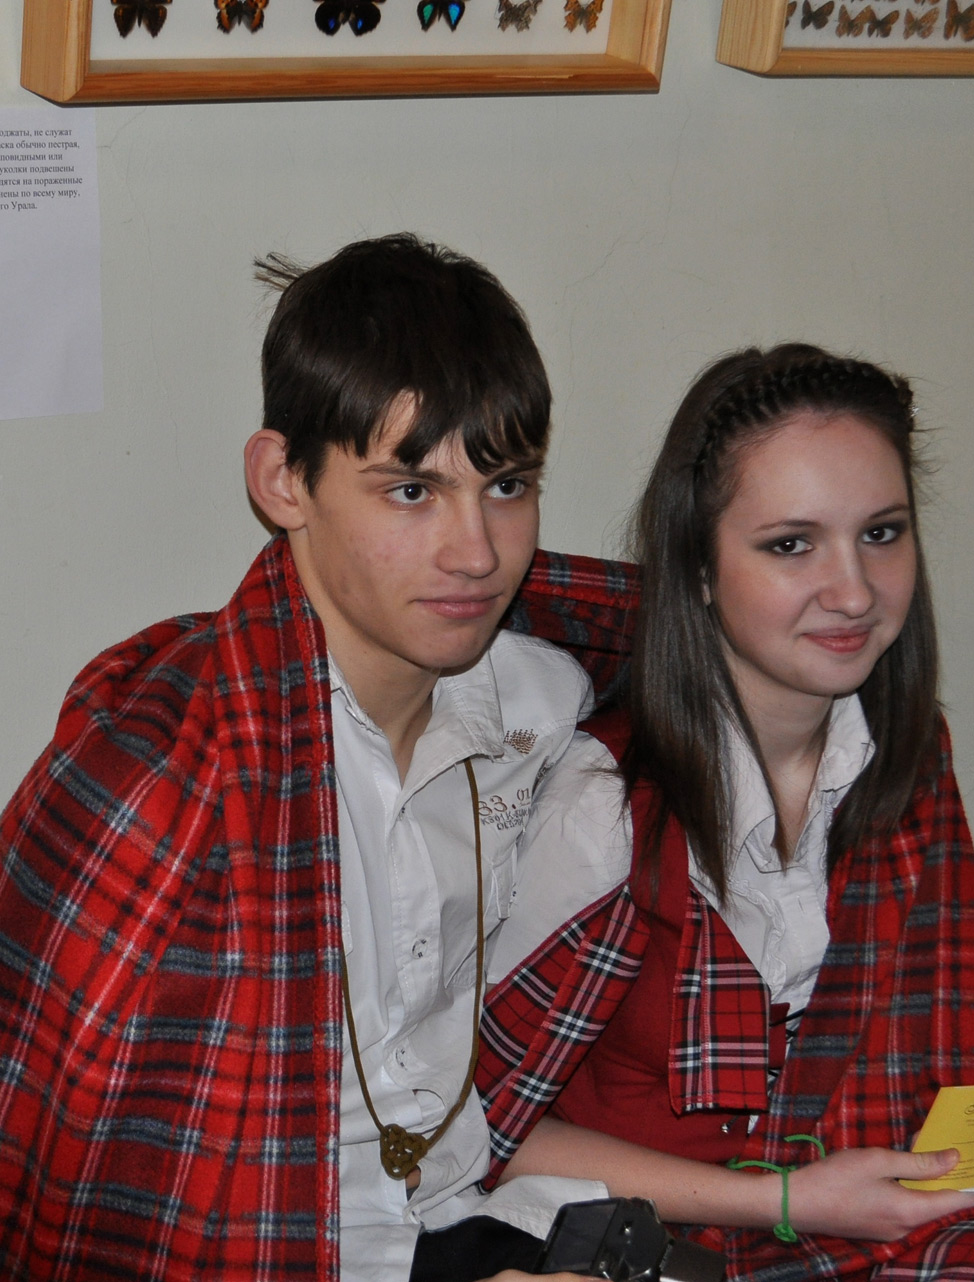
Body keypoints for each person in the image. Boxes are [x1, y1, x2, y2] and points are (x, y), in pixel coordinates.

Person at [0, 234, 607, 1282]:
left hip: (475, 1215)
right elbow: (65, 1180)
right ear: (283, 482)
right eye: (410, 491)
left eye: (507, 485)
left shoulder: (547, 701)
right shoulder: (156, 775)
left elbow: (722, 635)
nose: (476, 552)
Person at [479, 344, 974, 1280]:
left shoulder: (910, 757)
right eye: (791, 544)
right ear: (700, 567)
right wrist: (790, 1200)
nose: (854, 591)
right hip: (647, 1245)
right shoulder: (605, 806)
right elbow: (482, 1138)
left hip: (864, 1213)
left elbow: (960, 1063)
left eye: (881, 533)